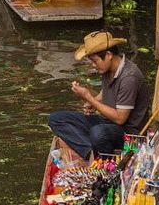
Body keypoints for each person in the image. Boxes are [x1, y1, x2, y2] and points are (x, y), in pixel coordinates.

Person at [48, 32, 149, 163]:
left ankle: (98, 157)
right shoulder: (108, 68)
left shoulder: (129, 77)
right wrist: (94, 100)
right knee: (56, 119)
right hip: (106, 122)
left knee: (98, 133)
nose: (93, 65)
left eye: (95, 61)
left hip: (128, 134)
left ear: (108, 55)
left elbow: (120, 119)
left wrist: (89, 98)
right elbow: (107, 90)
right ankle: (90, 152)